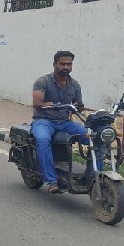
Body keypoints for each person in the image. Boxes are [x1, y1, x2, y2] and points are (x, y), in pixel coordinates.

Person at [31, 50, 87, 194]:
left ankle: (94, 175)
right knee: (42, 139)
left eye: (69, 64)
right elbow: (37, 103)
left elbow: (78, 105)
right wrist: (45, 104)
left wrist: (78, 106)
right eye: (62, 64)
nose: (66, 67)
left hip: (64, 122)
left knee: (90, 136)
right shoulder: (42, 81)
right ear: (55, 64)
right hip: (44, 121)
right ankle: (52, 180)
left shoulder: (75, 84)